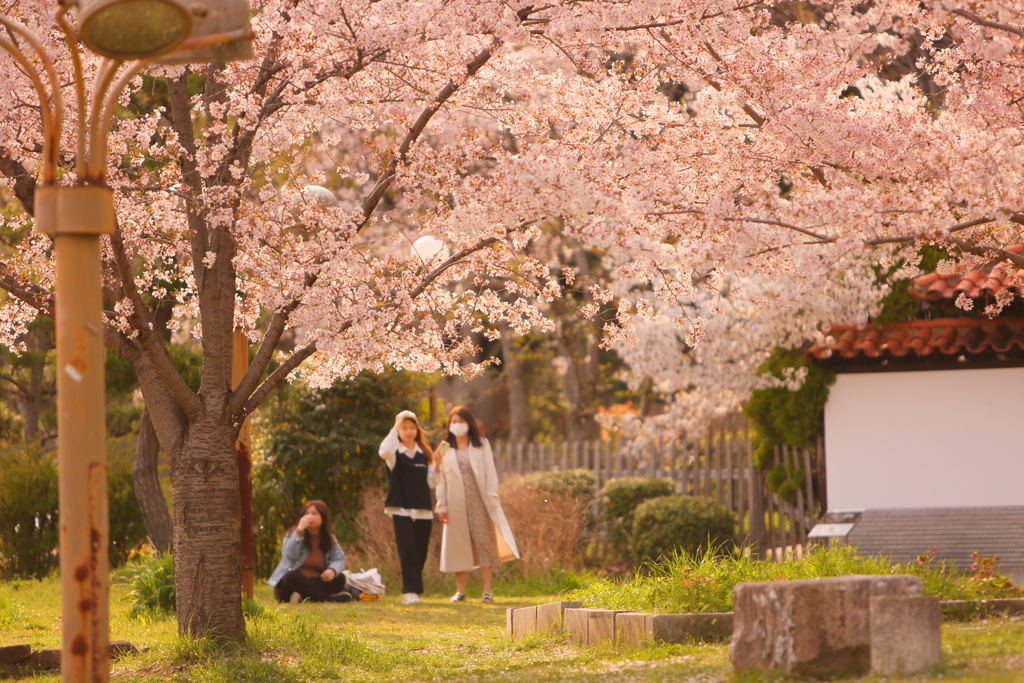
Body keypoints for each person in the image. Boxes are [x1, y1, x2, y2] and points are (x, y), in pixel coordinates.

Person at [435, 405, 519, 604]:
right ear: (449, 425)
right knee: (457, 546)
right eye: (453, 422)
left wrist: (492, 495)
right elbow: (439, 480)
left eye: (461, 421)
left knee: (484, 543)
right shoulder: (443, 448)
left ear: (469, 423)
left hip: (480, 500)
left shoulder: (481, 443)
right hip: (454, 502)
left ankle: (487, 590)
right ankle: (460, 591)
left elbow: (490, 471)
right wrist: (442, 506)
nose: (457, 425)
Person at [379, 410, 443, 605]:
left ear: (417, 430)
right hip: (400, 508)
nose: (407, 431)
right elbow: (383, 451)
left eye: (411, 428)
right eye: (404, 428)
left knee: (420, 551)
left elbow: (432, 483)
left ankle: (414, 588)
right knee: (407, 550)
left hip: (423, 509)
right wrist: (395, 425)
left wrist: (438, 467)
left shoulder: (425, 454)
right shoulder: (394, 452)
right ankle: (409, 591)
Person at [268, 500, 350, 603]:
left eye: (314, 514)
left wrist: (332, 570)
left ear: (322, 517)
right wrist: (299, 530)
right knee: (290, 577)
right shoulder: (293, 534)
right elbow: (289, 556)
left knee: (340, 578)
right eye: (306, 514)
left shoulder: (329, 539)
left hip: (317, 582)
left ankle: (302, 597)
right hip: (292, 584)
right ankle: (330, 599)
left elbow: (339, 559)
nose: (309, 516)